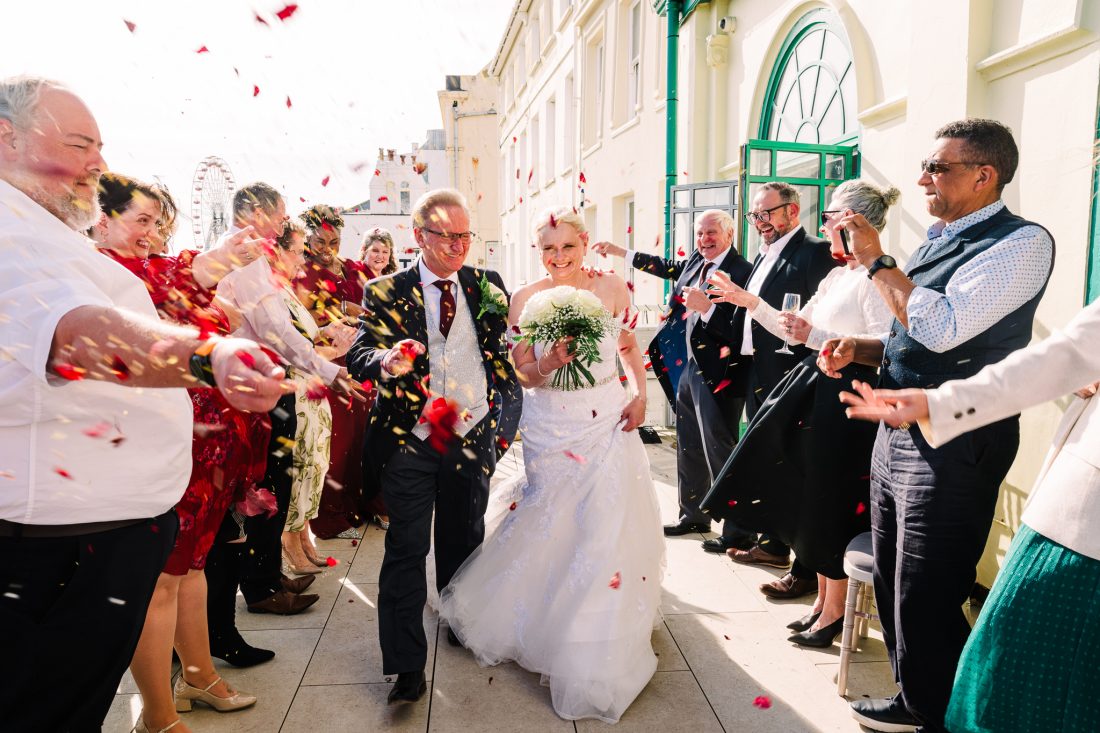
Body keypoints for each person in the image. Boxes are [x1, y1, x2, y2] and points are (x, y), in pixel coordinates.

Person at [0, 76, 286, 732]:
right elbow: (72, 333)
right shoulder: (9, 234)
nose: (99, 165)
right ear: (5, 138)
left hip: (92, 537)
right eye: (79, 145)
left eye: (100, 148)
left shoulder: (41, 229)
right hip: (55, 554)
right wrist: (204, 359)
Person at [817, 118, 1055, 733]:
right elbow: (911, 333)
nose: (922, 178)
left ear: (985, 175)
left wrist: (874, 259)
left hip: (958, 440)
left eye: (938, 168)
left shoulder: (1022, 243)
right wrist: (862, 348)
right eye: (925, 166)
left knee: (928, 585)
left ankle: (949, 713)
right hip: (895, 431)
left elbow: (946, 327)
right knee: (898, 578)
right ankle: (917, 699)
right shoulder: (936, 239)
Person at [440, 206, 663, 722]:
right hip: (550, 425)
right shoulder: (524, 299)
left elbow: (628, 345)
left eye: (566, 246)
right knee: (554, 520)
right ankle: (545, 620)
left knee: (605, 524)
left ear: (585, 244)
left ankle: (595, 636)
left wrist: (640, 396)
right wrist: (548, 363)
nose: (558, 257)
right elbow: (524, 376)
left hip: (607, 417)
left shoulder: (614, 290)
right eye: (548, 248)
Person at [839, 298, 1100, 733]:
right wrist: (936, 404)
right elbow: (1064, 355)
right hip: (1080, 523)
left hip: (1080, 537)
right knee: (1014, 672)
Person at [93, 173, 267, 731]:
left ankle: (198, 677)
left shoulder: (153, 270)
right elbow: (174, 282)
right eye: (141, 220)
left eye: (157, 223)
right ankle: (157, 713)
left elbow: (209, 313)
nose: (151, 233)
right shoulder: (101, 272)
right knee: (163, 580)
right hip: (153, 447)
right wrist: (216, 261)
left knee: (192, 569)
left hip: (204, 448)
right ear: (101, 216)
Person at [701, 179, 897, 647]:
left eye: (830, 217)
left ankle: (834, 614)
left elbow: (886, 346)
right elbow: (797, 333)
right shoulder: (835, 276)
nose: (824, 224)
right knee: (812, 496)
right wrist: (747, 301)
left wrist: (819, 334)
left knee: (832, 501)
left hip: (847, 400)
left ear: (853, 223)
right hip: (816, 391)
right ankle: (822, 603)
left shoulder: (878, 280)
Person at [345, 188, 519, 706]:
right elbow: (358, 352)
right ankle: (405, 668)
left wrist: (500, 427)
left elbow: (501, 357)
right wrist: (386, 361)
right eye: (448, 235)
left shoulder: (488, 285)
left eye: (466, 235)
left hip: (471, 434)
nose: (459, 245)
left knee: (463, 540)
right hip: (411, 441)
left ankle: (461, 622)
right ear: (419, 235)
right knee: (405, 549)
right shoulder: (384, 290)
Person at [592, 210, 754, 555]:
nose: (704, 239)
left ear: (729, 234)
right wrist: (622, 253)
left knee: (720, 448)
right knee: (689, 442)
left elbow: (742, 329)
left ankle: (739, 531)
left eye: (711, 233)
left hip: (722, 374)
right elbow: (667, 267)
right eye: (699, 234)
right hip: (688, 366)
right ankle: (693, 514)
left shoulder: (743, 271)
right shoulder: (697, 260)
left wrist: (707, 309)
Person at [713, 183, 838, 599]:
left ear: (793, 211)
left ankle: (804, 570)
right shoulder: (763, 254)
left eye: (767, 213)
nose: (760, 221)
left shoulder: (816, 251)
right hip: (758, 369)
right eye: (755, 215)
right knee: (771, 462)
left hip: (793, 370)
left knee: (794, 467)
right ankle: (773, 544)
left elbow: (821, 318)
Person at [296, 205, 377, 541]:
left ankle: (361, 505)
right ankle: (329, 517)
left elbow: (376, 305)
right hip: (329, 365)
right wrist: (343, 311)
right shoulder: (301, 272)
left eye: (335, 240)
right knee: (335, 443)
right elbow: (302, 321)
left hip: (362, 360)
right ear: (306, 240)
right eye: (319, 242)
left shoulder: (356, 269)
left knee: (364, 438)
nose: (327, 249)